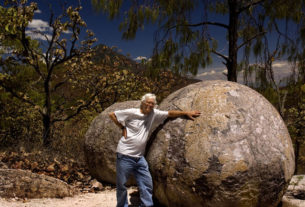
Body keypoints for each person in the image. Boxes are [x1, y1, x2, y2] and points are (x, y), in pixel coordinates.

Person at [109, 93, 201, 207]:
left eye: (152, 103)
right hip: (124, 155)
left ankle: (146, 205)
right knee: (121, 184)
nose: (150, 105)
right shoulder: (132, 112)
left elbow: (169, 113)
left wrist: (186, 112)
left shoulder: (153, 113)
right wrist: (122, 127)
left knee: (146, 183)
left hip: (139, 157)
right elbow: (112, 114)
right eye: (148, 102)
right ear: (143, 102)